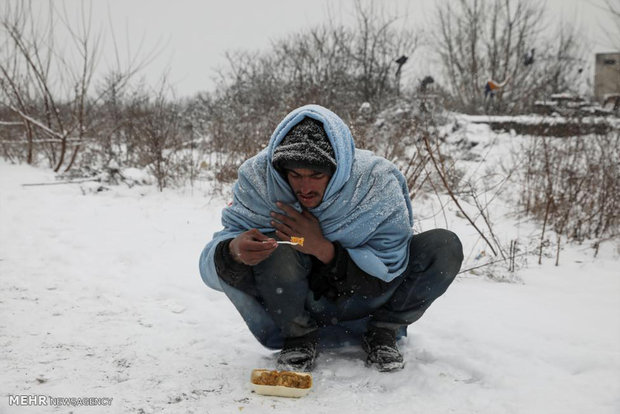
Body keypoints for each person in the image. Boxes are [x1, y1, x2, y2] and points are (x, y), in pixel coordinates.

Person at [199, 105, 463, 372]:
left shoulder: (374, 182)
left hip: (367, 299)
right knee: (277, 245)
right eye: (295, 175)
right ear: (281, 171)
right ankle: (299, 336)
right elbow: (214, 259)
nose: (304, 188)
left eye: (317, 175)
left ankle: (383, 331)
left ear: (339, 169)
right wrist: (233, 252)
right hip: (296, 302)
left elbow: (389, 269)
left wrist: (322, 248)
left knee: (444, 246)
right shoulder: (260, 181)